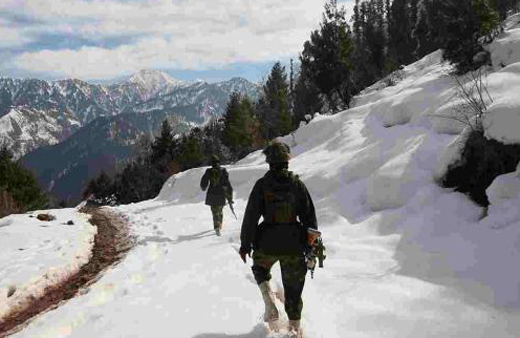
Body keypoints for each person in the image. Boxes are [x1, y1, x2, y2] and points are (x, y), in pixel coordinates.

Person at [239, 141, 318, 337]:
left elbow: (251, 217)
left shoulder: (262, 185)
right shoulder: (297, 185)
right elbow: (310, 219)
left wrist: (245, 244)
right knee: (294, 291)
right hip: (294, 244)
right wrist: (312, 247)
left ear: (269, 161)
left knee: (260, 268)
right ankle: (294, 330)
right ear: (287, 161)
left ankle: (269, 301)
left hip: (266, 242)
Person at [200, 155, 233, 236]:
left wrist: (203, 187)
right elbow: (227, 184)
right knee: (220, 210)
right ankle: (219, 224)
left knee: (214, 211)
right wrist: (230, 197)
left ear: (211, 163)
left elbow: (204, 181)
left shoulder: (209, 171)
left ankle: (217, 226)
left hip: (212, 194)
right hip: (221, 194)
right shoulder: (223, 170)